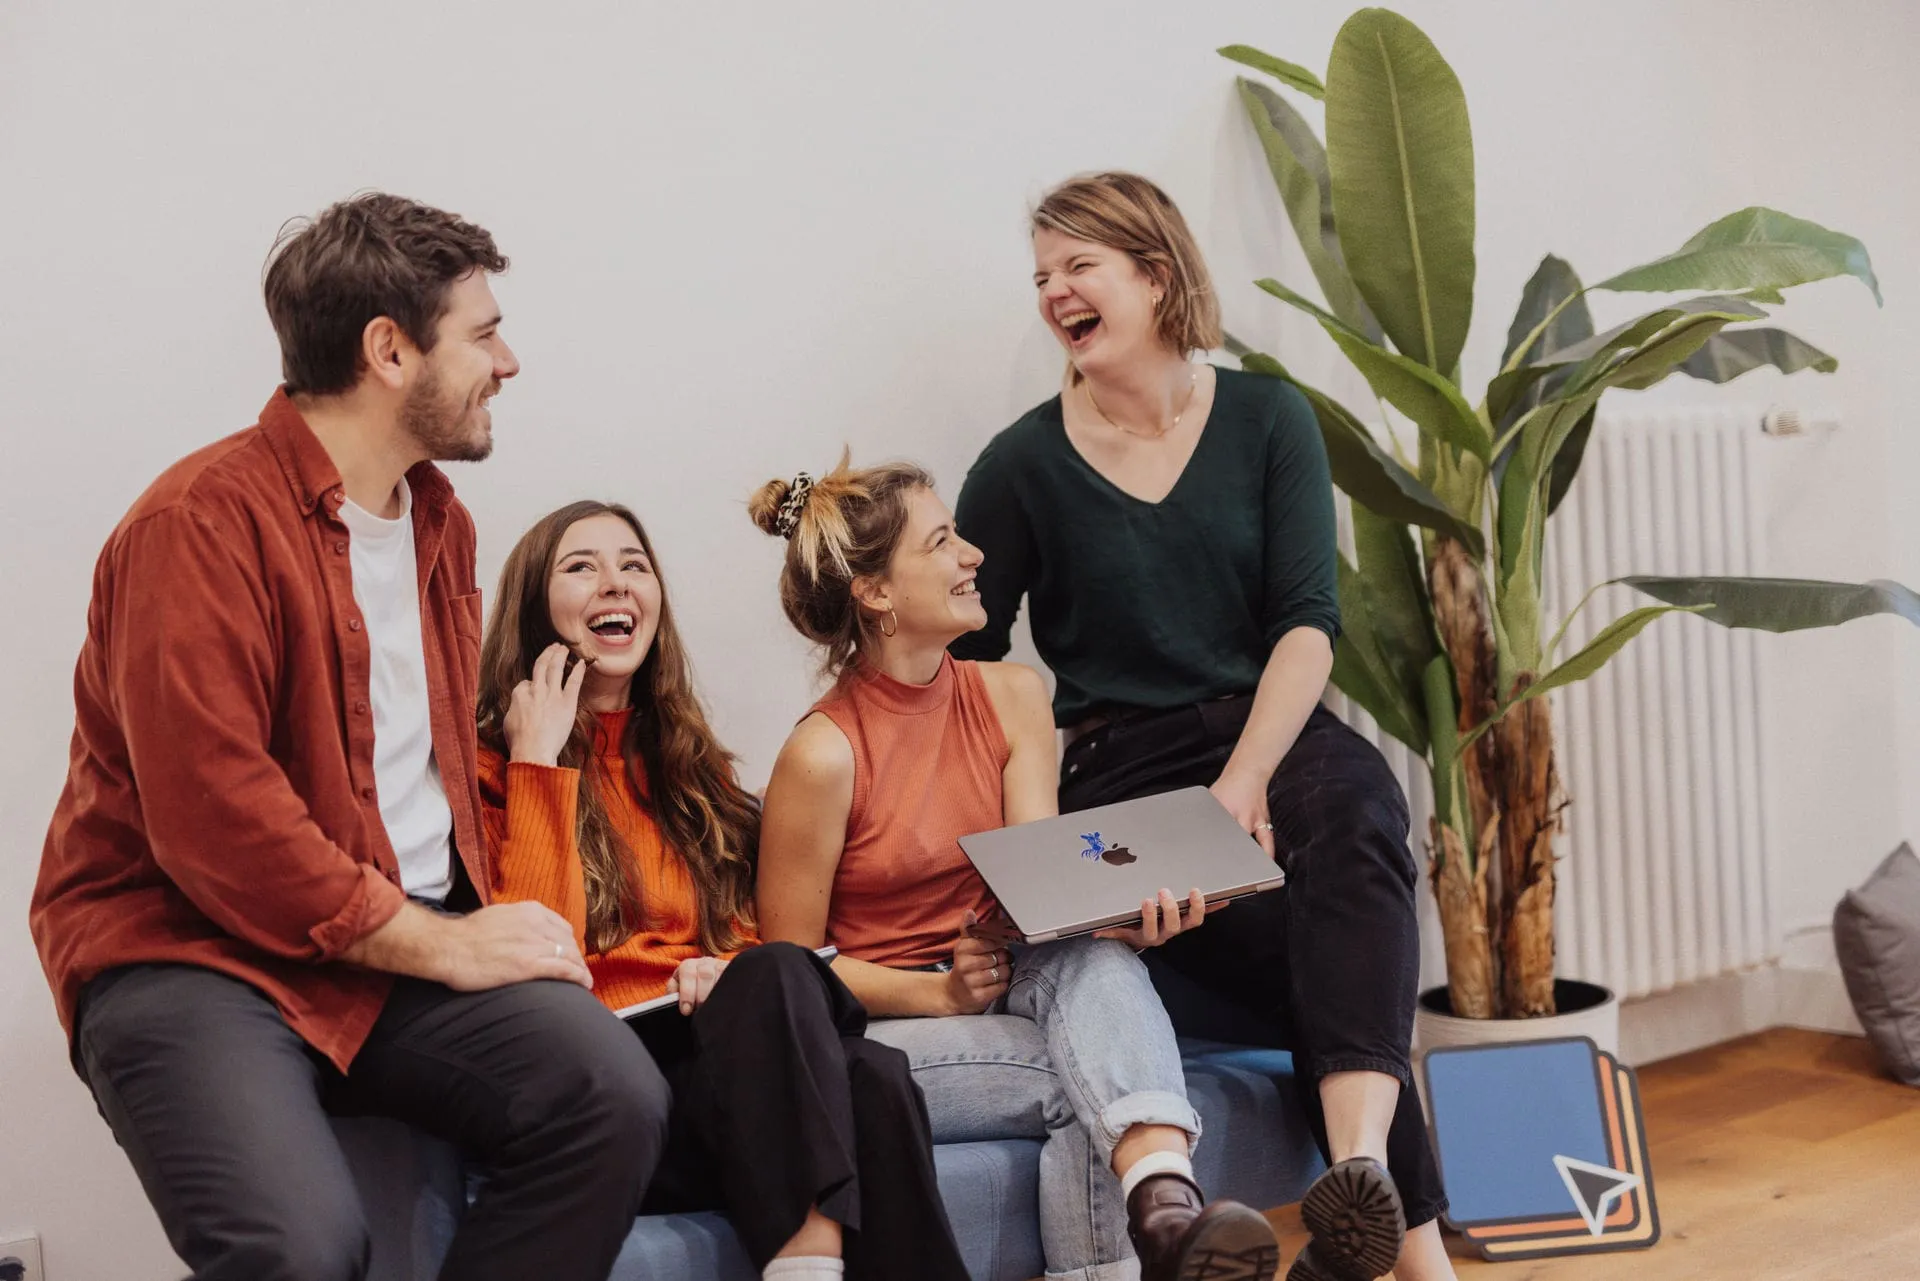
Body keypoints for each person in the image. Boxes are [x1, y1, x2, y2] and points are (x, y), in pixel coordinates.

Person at [29, 194, 668, 1281]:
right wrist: (446, 945)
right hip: (190, 955)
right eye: (482, 333)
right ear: (389, 350)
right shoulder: (195, 525)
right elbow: (215, 823)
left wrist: (476, 923)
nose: (507, 361)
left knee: (609, 1094)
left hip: (387, 948)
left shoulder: (438, 522)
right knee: (302, 1248)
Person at [947, 170, 1456, 1281]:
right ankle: (1413, 1263)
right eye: (1041, 276)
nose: (1054, 292)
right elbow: (964, 668)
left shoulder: (1270, 418)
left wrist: (1243, 782)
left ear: (1155, 274)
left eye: (1080, 266)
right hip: (1120, 767)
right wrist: (1040, 863)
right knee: (1331, 966)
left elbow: (1308, 627)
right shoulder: (1021, 464)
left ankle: (1357, 1171)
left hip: (1271, 735)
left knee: (1360, 808)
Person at [752, 457, 1283, 1281]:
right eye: (942, 541)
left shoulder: (1012, 695)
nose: (974, 555)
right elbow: (786, 980)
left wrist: (1125, 918)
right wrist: (937, 991)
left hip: (1012, 974)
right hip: (895, 1026)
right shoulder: (823, 753)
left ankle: (1167, 1213)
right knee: (1095, 1085)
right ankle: (1164, 1211)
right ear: (877, 593)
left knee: (1100, 959)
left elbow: (1041, 892)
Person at [476, 500, 969, 1281]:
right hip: (610, 1096)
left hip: (719, 1073)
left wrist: (718, 966)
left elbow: (738, 930)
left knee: (873, 1076)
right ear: (536, 606)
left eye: (634, 565)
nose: (616, 584)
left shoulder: (692, 773)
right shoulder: (493, 773)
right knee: (780, 975)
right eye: (582, 566)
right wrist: (538, 760)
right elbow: (536, 953)